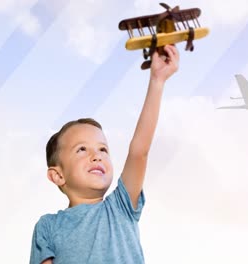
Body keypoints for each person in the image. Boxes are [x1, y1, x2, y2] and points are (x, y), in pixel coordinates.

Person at [29, 45, 179, 264]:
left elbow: (139, 151)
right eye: (82, 149)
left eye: (103, 149)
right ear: (57, 175)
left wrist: (157, 81)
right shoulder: (48, 227)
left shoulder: (121, 206)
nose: (97, 156)